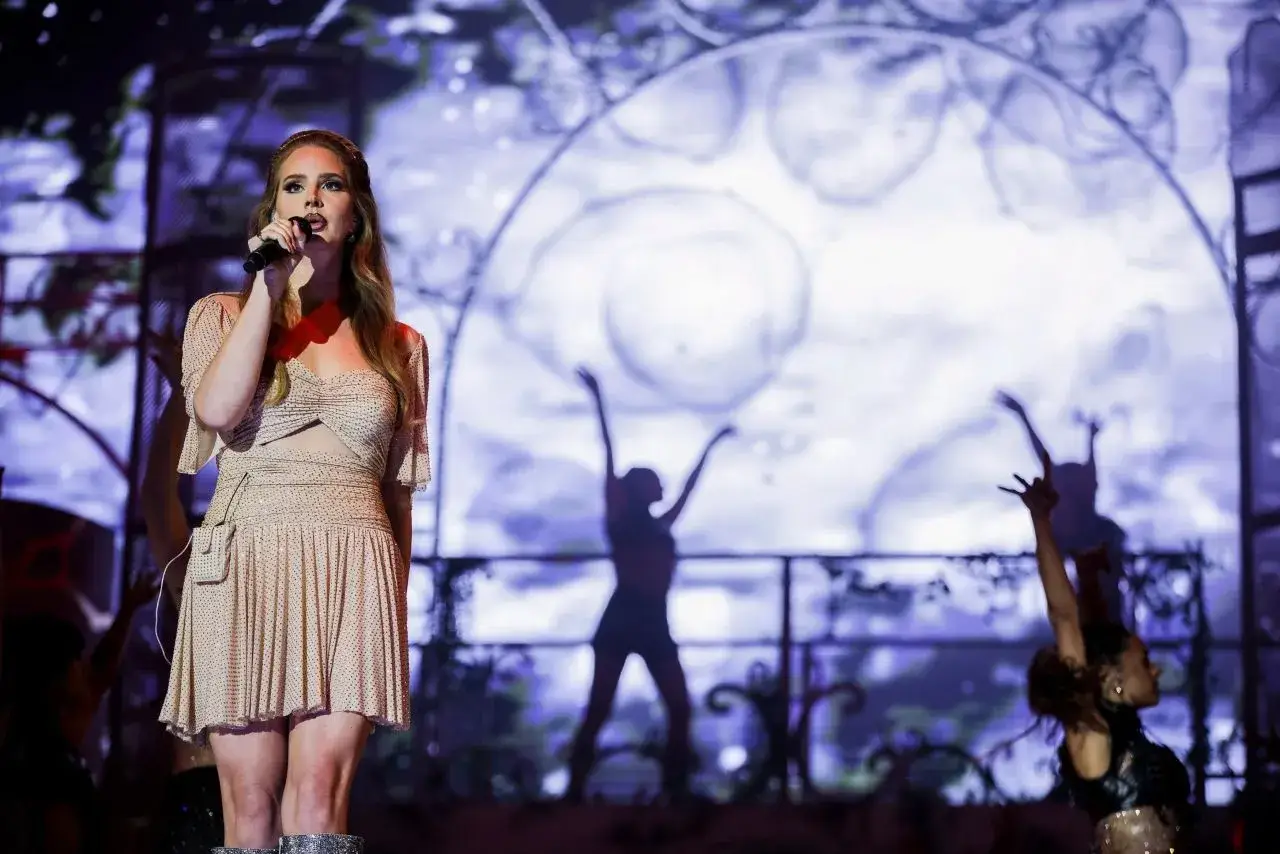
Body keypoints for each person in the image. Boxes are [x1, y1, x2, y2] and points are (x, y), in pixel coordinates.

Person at [158, 129, 430, 853]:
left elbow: (398, 495)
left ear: (356, 214)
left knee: (319, 800)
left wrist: (395, 610)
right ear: (272, 208)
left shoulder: (400, 345)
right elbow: (215, 413)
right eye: (294, 186)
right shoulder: (221, 313)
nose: (312, 199)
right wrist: (267, 289)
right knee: (248, 805)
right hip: (246, 557)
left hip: (353, 566)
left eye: (331, 185)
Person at [1002, 452, 1189, 854]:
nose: (1154, 671)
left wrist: (1090, 578)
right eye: (1142, 662)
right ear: (1111, 676)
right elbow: (1065, 618)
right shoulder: (1091, 733)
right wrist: (1041, 523)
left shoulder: (1125, 736)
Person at [565, 366, 734, 801]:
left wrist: (712, 447)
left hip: (650, 621)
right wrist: (598, 400)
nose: (662, 486)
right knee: (601, 708)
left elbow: (690, 489)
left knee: (678, 707)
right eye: (654, 481)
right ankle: (576, 788)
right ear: (639, 489)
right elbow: (608, 452)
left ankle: (674, 788)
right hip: (624, 619)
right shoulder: (620, 520)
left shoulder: (659, 526)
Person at [140, 334, 224, 854]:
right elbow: (156, 498)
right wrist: (182, 397)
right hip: (200, 793)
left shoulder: (297, 592)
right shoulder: (202, 582)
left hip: (264, 797)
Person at [995, 391, 1126, 620]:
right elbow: (1043, 455)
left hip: (1097, 569)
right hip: (1077, 560)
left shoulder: (1100, 530)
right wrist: (1023, 416)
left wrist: (1091, 438)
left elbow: (1048, 458)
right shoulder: (1063, 532)